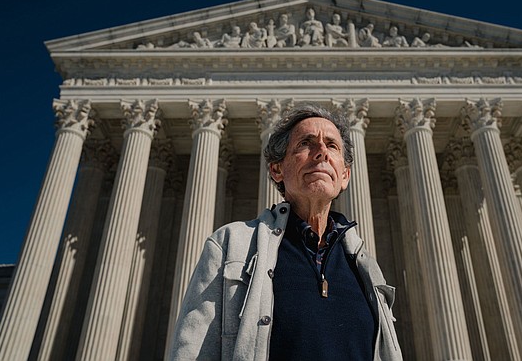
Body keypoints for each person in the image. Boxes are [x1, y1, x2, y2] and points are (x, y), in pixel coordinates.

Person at [169, 104, 402, 361]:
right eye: (306, 143)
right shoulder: (230, 246)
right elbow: (192, 352)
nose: (322, 152)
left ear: (345, 175)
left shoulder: (365, 266)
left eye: (332, 146)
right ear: (277, 169)